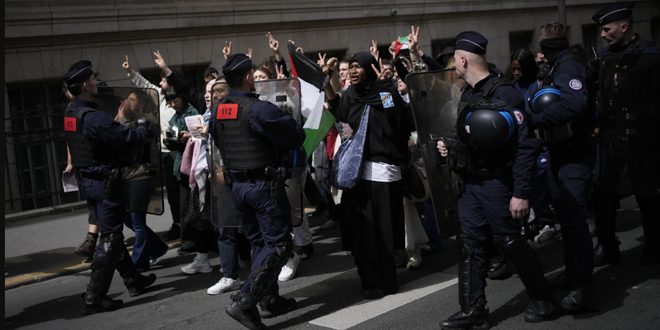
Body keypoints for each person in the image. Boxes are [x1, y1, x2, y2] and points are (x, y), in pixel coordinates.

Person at [436, 32, 554, 329]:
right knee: (470, 246)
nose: (454, 65)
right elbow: (472, 138)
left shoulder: (505, 93)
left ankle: (543, 299)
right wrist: (450, 147)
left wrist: (521, 192)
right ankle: (474, 311)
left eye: (455, 60)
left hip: (497, 184)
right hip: (471, 184)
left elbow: (526, 145)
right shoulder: (469, 93)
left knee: (511, 242)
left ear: (463, 60)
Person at [210, 53, 305, 329]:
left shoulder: (219, 110)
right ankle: (245, 300)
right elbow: (294, 135)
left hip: (237, 186)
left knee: (259, 243)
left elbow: (219, 141)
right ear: (249, 77)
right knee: (277, 243)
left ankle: (269, 298)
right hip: (262, 186)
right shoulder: (258, 109)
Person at [63, 60, 157, 314]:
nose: (96, 82)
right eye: (93, 79)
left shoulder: (72, 112)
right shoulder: (92, 117)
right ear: (85, 85)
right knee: (112, 237)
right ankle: (95, 296)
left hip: (89, 181)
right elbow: (122, 137)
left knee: (109, 231)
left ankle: (133, 279)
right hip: (104, 183)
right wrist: (142, 131)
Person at [325, 51, 414, 299]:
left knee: (383, 231)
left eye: (358, 67)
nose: (352, 71)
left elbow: (396, 120)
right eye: (350, 67)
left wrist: (386, 88)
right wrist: (329, 79)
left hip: (383, 172)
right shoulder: (352, 95)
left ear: (370, 68)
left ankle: (386, 279)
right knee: (361, 230)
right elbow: (338, 112)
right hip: (356, 173)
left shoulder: (384, 93)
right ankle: (368, 280)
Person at [528, 22, 596, 312]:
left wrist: (537, 120)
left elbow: (574, 102)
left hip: (575, 154)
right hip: (560, 153)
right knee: (565, 218)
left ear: (549, 46)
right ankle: (572, 271)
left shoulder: (568, 66)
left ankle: (584, 286)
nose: (538, 52)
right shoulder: (558, 65)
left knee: (574, 219)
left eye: (541, 46)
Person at [591, 2, 660, 266]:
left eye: (607, 29)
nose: (603, 34)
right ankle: (607, 246)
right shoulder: (607, 59)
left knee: (648, 196)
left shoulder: (650, 57)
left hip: (644, 142)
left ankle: (654, 245)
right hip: (612, 142)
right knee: (603, 197)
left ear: (624, 26)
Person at [122, 55, 180, 241]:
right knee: (171, 193)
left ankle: (188, 226)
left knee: (182, 193)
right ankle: (178, 224)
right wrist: (131, 72)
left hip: (178, 151)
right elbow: (144, 84)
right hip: (164, 154)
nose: (160, 82)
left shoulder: (181, 100)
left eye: (164, 79)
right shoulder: (160, 98)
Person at [116, 90, 169, 272]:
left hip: (142, 175)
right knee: (128, 219)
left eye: (132, 99)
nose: (127, 103)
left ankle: (139, 264)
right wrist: (119, 117)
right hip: (128, 176)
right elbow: (113, 136)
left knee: (137, 221)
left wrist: (121, 119)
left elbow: (131, 136)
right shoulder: (127, 120)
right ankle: (158, 247)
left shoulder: (148, 121)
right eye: (127, 99)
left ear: (141, 103)